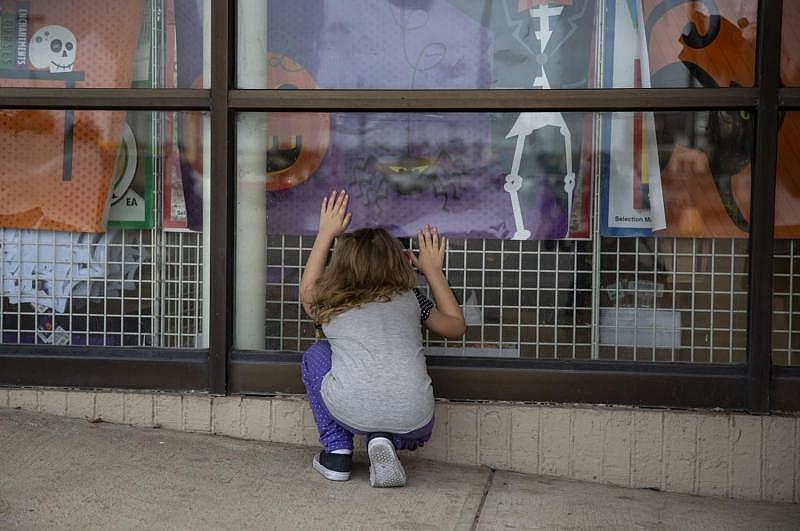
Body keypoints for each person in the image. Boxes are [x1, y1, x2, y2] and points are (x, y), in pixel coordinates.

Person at [299, 190, 466, 487]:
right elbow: (455, 327)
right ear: (397, 262)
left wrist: (325, 234)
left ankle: (337, 450)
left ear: (342, 264)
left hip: (351, 411)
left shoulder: (334, 301)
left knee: (317, 354)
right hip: (414, 422)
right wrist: (433, 272)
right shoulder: (412, 299)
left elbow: (308, 292)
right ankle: (382, 438)